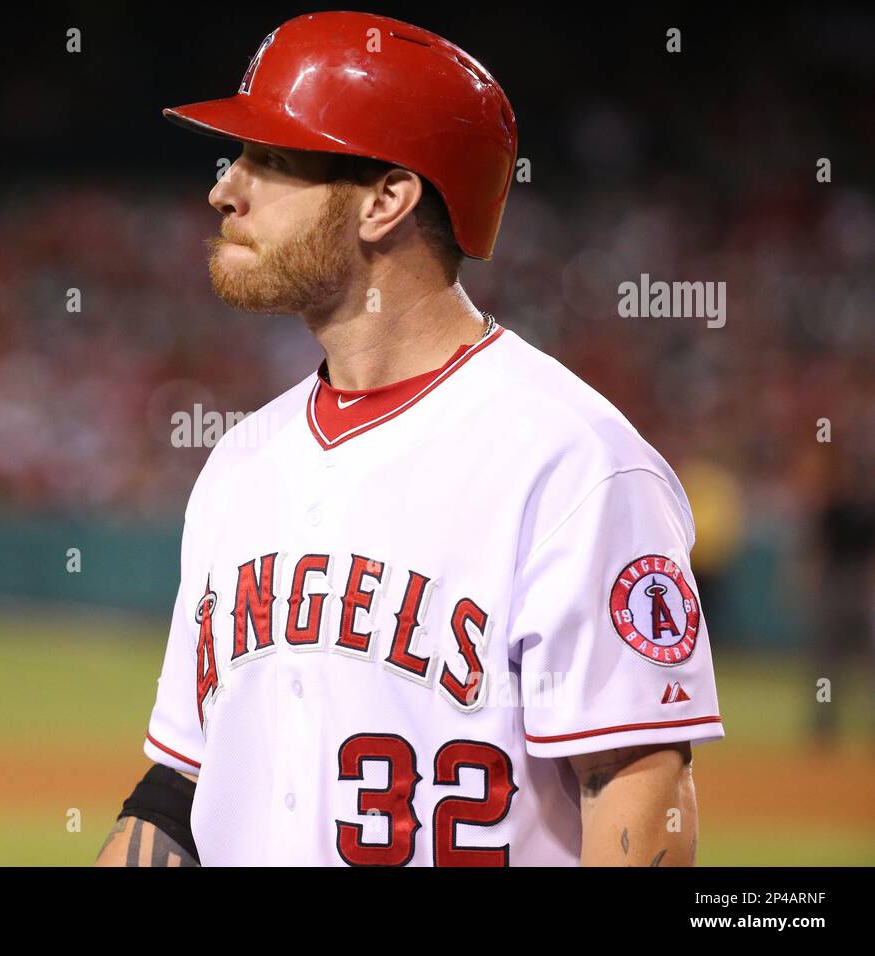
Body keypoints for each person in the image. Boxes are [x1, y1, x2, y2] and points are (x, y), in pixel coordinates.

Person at [97, 11, 724, 867]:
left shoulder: (572, 459)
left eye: (271, 161)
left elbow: (634, 788)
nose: (224, 189)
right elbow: (178, 791)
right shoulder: (240, 464)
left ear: (388, 200)